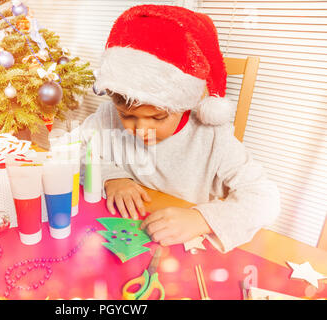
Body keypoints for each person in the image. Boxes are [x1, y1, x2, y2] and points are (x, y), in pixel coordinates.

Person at [79, 5, 280, 253]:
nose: (141, 129)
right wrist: (111, 177)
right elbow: (80, 147)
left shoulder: (212, 135)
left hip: (185, 247)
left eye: (157, 117)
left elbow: (265, 198)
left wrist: (202, 219)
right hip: (127, 237)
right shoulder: (108, 115)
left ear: (184, 103)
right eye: (127, 116)